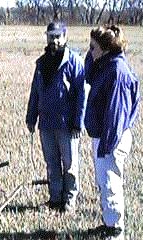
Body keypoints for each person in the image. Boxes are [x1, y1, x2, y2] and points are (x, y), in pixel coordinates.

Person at [84, 25, 140, 239]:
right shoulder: (104, 64)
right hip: (104, 136)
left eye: (92, 47)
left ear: (105, 49)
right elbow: (87, 74)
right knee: (105, 184)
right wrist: (92, 53)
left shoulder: (116, 70)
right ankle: (109, 224)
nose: (89, 51)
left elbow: (116, 114)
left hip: (111, 139)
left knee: (111, 184)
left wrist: (106, 147)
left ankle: (115, 231)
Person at [26, 22, 86, 211]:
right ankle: (55, 199)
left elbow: (81, 95)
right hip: (46, 124)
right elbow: (35, 92)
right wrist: (31, 117)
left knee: (69, 165)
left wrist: (78, 122)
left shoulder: (74, 61)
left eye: (58, 36)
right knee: (52, 164)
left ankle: (69, 200)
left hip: (67, 125)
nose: (54, 40)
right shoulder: (41, 63)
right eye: (51, 36)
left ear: (65, 37)